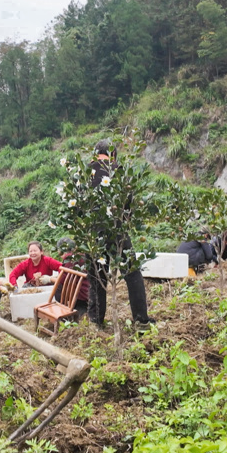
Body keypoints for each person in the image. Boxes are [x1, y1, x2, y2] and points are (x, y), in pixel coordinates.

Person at [86, 139, 155, 328]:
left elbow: (77, 207)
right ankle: (141, 320)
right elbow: (129, 203)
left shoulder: (84, 172)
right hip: (117, 230)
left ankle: (96, 321)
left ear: (95, 153)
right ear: (113, 154)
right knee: (132, 273)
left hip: (92, 232)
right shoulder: (120, 170)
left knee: (97, 277)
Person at [56, 237, 90, 315]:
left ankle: (63, 309)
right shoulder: (82, 255)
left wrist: (50, 279)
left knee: (58, 287)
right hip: (90, 293)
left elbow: (63, 279)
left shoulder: (69, 259)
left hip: (81, 296)